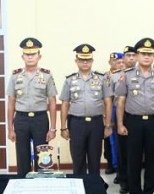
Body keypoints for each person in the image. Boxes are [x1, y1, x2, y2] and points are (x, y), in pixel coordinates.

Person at [115, 38, 154, 194]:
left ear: (153, 57)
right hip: (133, 122)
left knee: (153, 160)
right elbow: (121, 101)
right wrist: (120, 124)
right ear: (137, 55)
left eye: (149, 54)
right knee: (134, 160)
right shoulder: (127, 76)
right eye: (143, 54)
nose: (146, 57)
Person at [7, 38, 58, 176]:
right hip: (21, 119)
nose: (30, 57)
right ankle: (23, 184)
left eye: (33, 54)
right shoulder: (15, 76)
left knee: (43, 156)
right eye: (27, 54)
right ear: (22, 56)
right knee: (22, 155)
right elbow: (11, 103)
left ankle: (43, 186)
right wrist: (10, 129)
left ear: (39, 56)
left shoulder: (46, 75)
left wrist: (53, 128)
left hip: (40, 119)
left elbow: (52, 102)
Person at [59, 44, 113, 175]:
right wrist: (63, 127)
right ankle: (79, 188)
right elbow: (65, 104)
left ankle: (93, 189)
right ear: (76, 61)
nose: (85, 62)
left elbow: (108, 102)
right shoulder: (70, 80)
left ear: (92, 61)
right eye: (81, 59)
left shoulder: (102, 78)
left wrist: (107, 125)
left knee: (95, 159)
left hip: (96, 123)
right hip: (76, 123)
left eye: (88, 59)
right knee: (78, 159)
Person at [112, 45, 137, 194]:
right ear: (124, 58)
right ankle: (123, 180)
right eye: (128, 55)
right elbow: (108, 98)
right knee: (122, 149)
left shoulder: (143, 74)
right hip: (120, 114)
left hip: (135, 114)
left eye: (134, 55)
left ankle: (134, 179)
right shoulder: (115, 76)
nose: (131, 58)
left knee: (135, 150)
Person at [103, 52, 123, 175]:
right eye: (115, 61)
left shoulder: (126, 75)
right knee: (110, 142)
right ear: (110, 62)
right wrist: (105, 116)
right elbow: (104, 98)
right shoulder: (105, 76)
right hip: (109, 111)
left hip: (123, 111)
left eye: (120, 62)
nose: (118, 64)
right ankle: (112, 164)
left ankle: (120, 168)